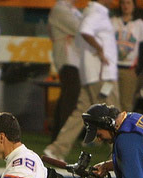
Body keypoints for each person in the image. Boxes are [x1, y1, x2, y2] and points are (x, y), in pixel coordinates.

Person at [44, 0, 120, 162]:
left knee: (81, 113)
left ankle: (56, 150)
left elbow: (81, 34)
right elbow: (85, 31)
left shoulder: (88, 12)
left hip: (92, 73)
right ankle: (122, 155)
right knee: (114, 115)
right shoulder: (96, 12)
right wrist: (100, 50)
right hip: (102, 74)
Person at [48, 0, 82, 141]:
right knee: (70, 98)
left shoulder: (71, 9)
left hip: (74, 60)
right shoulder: (60, 9)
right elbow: (80, 28)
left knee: (67, 97)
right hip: (67, 59)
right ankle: (62, 134)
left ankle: (58, 132)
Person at [111, 0, 143, 112]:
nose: (125, 6)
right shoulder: (113, 22)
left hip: (129, 69)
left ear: (134, 6)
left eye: (129, 3)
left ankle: (124, 129)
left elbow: (141, 48)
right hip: (112, 69)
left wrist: (138, 69)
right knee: (111, 103)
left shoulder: (139, 24)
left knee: (126, 104)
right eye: (123, 3)